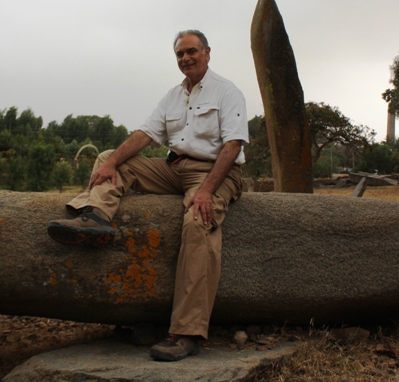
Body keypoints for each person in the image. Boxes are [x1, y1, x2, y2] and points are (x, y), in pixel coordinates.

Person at [46, 30, 249, 361]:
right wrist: (112, 161)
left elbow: (234, 144)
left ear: (208, 52)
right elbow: (146, 134)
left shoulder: (228, 92)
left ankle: (186, 332)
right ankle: (95, 218)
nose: (185, 58)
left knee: (197, 222)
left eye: (191, 52)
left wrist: (208, 191)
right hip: (175, 169)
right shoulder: (172, 96)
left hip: (215, 172)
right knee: (111, 160)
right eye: (180, 54)